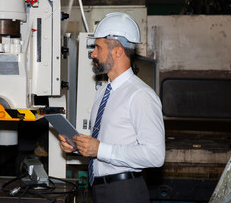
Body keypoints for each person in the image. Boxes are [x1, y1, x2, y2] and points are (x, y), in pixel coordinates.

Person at [59, 12, 165, 203]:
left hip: (125, 192)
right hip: (100, 189)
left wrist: (99, 150)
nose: (93, 54)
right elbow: (105, 142)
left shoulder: (140, 95)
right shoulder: (103, 92)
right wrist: (77, 146)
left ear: (117, 51)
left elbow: (155, 155)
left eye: (98, 48)